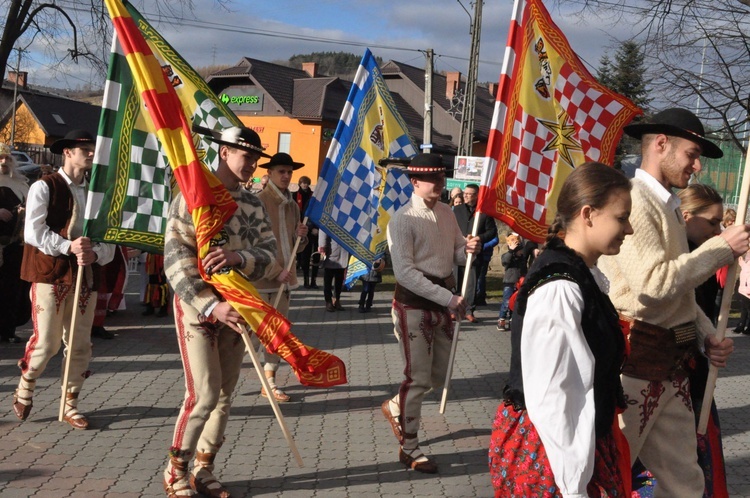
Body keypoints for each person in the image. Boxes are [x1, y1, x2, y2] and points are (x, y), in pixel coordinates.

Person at [598, 108, 750, 497]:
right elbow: (653, 286)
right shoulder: (635, 200)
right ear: (661, 144)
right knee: (609, 474)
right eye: (692, 154)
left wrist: (706, 335)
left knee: (685, 482)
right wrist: (720, 248)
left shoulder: (666, 205)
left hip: (670, 363)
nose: (697, 166)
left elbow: (680, 293)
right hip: (634, 364)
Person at [488, 162, 632, 497]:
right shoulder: (560, 288)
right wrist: (573, 485)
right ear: (588, 214)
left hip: (574, 444)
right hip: (552, 451)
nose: (629, 229)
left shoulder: (578, 274)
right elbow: (555, 396)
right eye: (621, 217)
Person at [162, 125, 279, 498]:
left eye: (256, 158)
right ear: (224, 152)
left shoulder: (254, 202)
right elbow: (175, 259)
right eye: (246, 156)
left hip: (240, 307)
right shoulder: (192, 194)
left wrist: (238, 257)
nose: (252, 164)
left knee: (226, 395)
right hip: (200, 309)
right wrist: (211, 303)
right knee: (203, 395)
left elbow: (271, 256)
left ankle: (204, 467)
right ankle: (175, 471)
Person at [381, 153, 481, 473]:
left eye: (441, 177)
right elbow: (406, 274)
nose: (440, 183)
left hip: (443, 302)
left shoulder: (448, 213)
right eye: (433, 178)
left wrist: (467, 250)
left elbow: (455, 254)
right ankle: (409, 447)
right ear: (415, 182)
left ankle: (396, 406)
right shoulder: (402, 219)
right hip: (412, 304)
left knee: (440, 375)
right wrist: (448, 298)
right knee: (418, 377)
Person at [13, 130, 115, 429]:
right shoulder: (46, 186)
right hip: (51, 274)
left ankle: (70, 403)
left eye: (92, 148)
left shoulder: (99, 192)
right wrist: (67, 246)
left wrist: (97, 254)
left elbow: (108, 234)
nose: (91, 153)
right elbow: (33, 231)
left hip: (85, 276)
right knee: (47, 342)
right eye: (84, 148)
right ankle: (26, 386)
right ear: (67, 152)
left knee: (81, 344)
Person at [633, 183, 730, 497]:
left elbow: (693, 311)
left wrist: (709, 340)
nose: (718, 230)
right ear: (686, 217)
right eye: (712, 222)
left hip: (689, 374)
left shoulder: (699, 256)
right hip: (655, 374)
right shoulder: (682, 260)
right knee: (645, 470)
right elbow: (660, 295)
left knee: (689, 475)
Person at [252, 152, 309, 402]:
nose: (286, 176)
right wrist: (275, 270)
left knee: (276, 335)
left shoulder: (293, 205)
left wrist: (302, 235)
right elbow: (251, 244)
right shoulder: (259, 201)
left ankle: (269, 382)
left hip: (284, 283)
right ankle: (224, 378)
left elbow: (299, 247)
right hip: (260, 280)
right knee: (250, 335)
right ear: (270, 174)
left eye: (289, 172)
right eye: (281, 172)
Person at [452, 183, 497, 323]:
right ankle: (454, 310)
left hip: (474, 254)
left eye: (469, 193)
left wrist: (478, 238)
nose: (465, 195)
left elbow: (492, 232)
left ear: (477, 195)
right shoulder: (457, 210)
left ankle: (469, 310)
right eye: (464, 193)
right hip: (458, 251)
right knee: (456, 281)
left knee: (471, 283)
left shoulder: (484, 212)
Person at [0, 144, 30, 343]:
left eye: (7, 158)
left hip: (17, 245)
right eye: (0, 158)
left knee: (13, 289)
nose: (4, 162)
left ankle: (7, 330)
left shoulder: (20, 183)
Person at [496, 233, 525, 331]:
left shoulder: (521, 258)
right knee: (506, 302)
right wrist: (512, 251)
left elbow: (524, 269)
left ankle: (513, 320)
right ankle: (501, 320)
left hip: (519, 282)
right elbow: (505, 262)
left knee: (516, 302)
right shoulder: (507, 256)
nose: (520, 251)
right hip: (509, 282)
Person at [294, 175, 319, 289]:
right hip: (303, 228)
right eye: (303, 183)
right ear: (300, 183)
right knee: (305, 254)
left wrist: (316, 228)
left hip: (315, 230)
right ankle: (306, 279)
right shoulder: (295, 195)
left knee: (316, 256)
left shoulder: (314, 196)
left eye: (306, 183)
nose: (304, 185)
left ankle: (314, 279)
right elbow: (302, 213)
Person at [318, 231, 349, 312]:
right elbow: (323, 231)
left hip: (344, 252)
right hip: (331, 251)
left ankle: (336, 299)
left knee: (340, 279)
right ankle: (328, 301)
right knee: (328, 280)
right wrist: (322, 246)